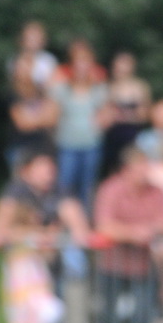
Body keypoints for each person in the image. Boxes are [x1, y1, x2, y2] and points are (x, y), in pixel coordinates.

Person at [0, 148, 88, 323]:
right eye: (42, 168)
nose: (49, 174)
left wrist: (62, 234)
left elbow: (80, 228)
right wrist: (37, 235)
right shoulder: (14, 194)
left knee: (54, 319)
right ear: (26, 171)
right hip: (25, 274)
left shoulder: (60, 192)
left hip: (54, 269)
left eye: (51, 168)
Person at [92, 147, 163, 323]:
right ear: (127, 169)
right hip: (112, 266)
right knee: (109, 316)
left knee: (143, 316)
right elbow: (104, 226)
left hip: (144, 266)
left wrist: (150, 230)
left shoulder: (156, 192)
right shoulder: (110, 190)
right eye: (141, 167)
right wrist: (135, 233)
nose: (146, 172)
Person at [50, 40, 107, 209]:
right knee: (65, 186)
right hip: (67, 145)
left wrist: (100, 123)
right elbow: (51, 115)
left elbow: (106, 115)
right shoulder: (61, 89)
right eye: (78, 63)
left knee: (87, 187)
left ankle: (85, 222)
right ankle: (61, 222)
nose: (82, 67)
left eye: (86, 63)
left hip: (91, 145)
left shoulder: (99, 90)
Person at [100, 51, 151, 180]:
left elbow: (144, 115)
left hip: (130, 135)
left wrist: (124, 116)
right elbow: (104, 115)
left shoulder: (139, 87)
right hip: (112, 137)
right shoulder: (108, 87)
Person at [7, 69, 59, 171]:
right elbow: (22, 124)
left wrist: (31, 119)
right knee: (20, 182)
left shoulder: (47, 97)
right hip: (21, 147)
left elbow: (52, 120)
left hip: (45, 147)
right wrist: (42, 117)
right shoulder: (14, 97)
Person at [10, 21, 58, 91]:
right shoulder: (15, 60)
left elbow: (51, 86)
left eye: (36, 37)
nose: (33, 41)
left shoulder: (49, 60)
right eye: (30, 37)